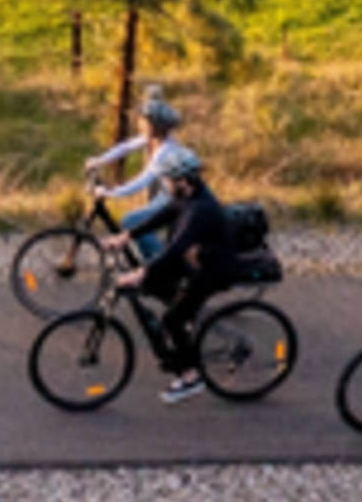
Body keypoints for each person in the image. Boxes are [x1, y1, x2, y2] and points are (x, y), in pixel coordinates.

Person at [132, 146, 243, 401]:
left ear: (183, 180)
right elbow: (163, 215)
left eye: (168, 179)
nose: (165, 184)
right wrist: (127, 235)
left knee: (172, 319)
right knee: (156, 285)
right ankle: (186, 323)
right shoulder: (188, 195)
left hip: (215, 270)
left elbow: (174, 250)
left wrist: (141, 271)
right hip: (198, 260)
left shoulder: (199, 209)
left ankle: (191, 378)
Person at [85, 89, 195, 279]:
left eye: (144, 120)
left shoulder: (165, 150)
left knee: (131, 221)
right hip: (167, 194)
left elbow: (143, 180)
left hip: (177, 199)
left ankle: (163, 265)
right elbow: (125, 147)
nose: (140, 123)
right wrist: (100, 160)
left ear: (155, 125)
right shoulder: (153, 139)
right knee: (142, 224)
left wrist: (111, 193)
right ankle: (155, 262)